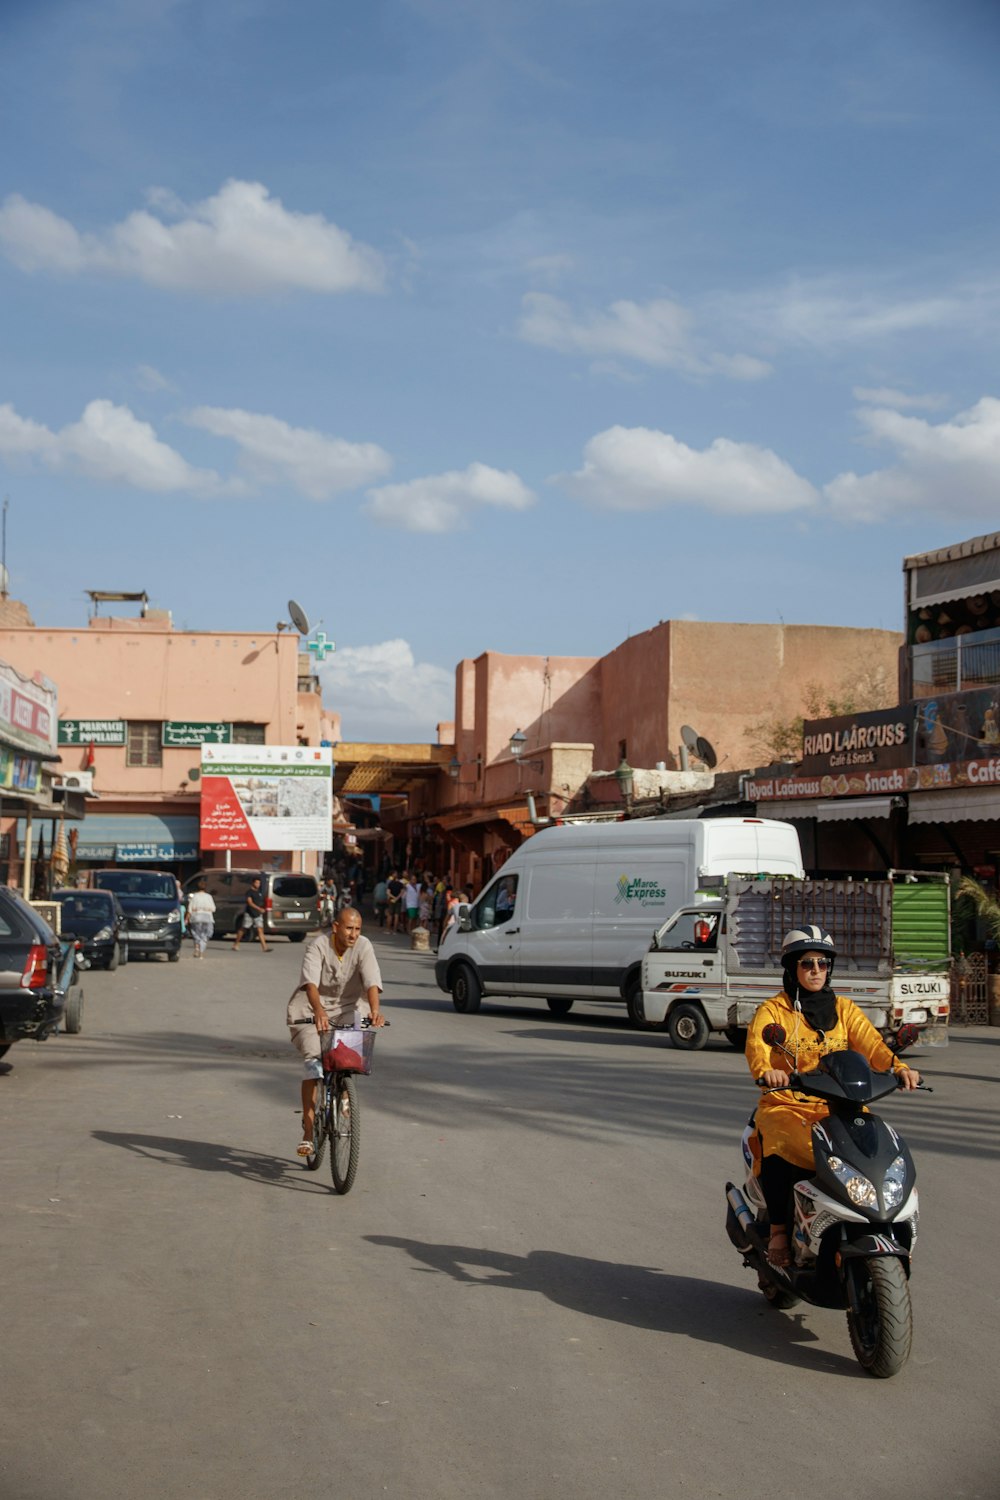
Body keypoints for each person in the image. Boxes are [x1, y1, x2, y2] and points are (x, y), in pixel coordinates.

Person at [746, 925, 920, 1269]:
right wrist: (767, 1071)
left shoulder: (844, 1009)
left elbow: (872, 1045)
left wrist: (899, 1069)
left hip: (841, 1103)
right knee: (783, 1145)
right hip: (788, 1102)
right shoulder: (775, 1011)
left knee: (875, 1147)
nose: (815, 971)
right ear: (792, 967)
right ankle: (780, 1230)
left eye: (823, 964)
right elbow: (758, 1046)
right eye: (807, 963)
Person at [286, 907, 386, 1157]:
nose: (353, 934)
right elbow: (310, 983)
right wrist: (318, 1010)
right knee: (313, 1062)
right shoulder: (318, 945)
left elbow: (372, 981)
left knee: (350, 1055)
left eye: (357, 929)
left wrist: (375, 1010)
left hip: (349, 1008)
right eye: (349, 928)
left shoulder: (364, 946)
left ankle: (343, 1090)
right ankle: (308, 1133)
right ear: (336, 928)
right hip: (312, 1010)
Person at [232, 876, 270, 953]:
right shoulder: (249, 892)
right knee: (243, 929)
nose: (258, 884)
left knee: (260, 930)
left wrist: (262, 909)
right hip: (249, 913)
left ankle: (264, 947)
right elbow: (250, 903)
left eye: (259, 883)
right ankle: (236, 944)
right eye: (256, 883)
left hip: (258, 915)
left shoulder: (259, 892)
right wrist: (259, 909)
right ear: (253, 883)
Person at [187, 878, 216, 959]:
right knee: (205, 935)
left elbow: (190, 909)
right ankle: (201, 952)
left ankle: (196, 948)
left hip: (196, 917)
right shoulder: (209, 897)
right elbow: (213, 908)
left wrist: (187, 918)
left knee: (196, 934)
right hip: (207, 918)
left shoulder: (194, 896)